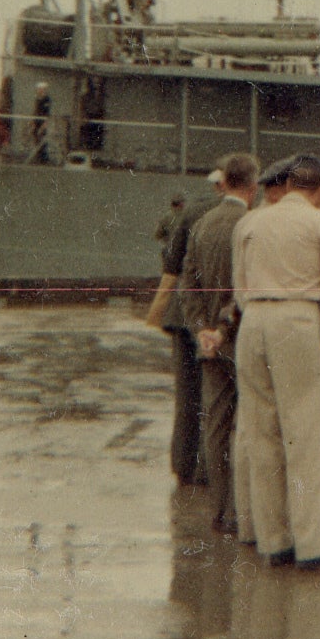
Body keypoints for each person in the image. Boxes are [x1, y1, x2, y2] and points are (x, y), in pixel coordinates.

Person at [231, 154, 320, 571]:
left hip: (252, 323)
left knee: (261, 434)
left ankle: (274, 539)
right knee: (307, 434)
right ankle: (310, 543)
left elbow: (240, 286)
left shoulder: (249, 222)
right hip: (297, 321)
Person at [183, 153, 261, 538]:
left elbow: (189, 286)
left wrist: (203, 330)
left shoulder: (202, 225)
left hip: (209, 344)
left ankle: (219, 510)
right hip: (242, 338)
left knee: (215, 424)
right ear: (252, 186)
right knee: (249, 427)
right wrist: (225, 330)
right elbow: (245, 289)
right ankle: (243, 510)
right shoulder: (251, 225)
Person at [148, 190, 210, 486]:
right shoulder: (239, 216)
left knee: (187, 396)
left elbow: (171, 261)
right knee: (214, 397)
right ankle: (205, 468)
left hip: (180, 312)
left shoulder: (189, 213)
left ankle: (183, 464)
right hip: (209, 318)